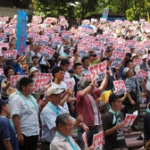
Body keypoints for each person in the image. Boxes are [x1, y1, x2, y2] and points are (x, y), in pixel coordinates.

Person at [9, 77, 43, 150]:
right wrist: (19, 133)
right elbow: (15, 117)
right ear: (23, 87)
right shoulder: (17, 99)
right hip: (25, 133)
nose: (32, 88)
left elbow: (35, 112)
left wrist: (42, 105)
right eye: (30, 86)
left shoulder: (32, 98)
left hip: (34, 132)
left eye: (32, 85)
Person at [76, 73, 109, 147]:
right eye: (91, 86)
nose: (94, 87)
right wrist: (91, 84)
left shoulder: (93, 94)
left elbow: (102, 87)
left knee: (94, 146)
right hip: (85, 125)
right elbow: (82, 94)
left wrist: (106, 76)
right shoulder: (80, 94)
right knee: (84, 146)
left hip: (95, 125)